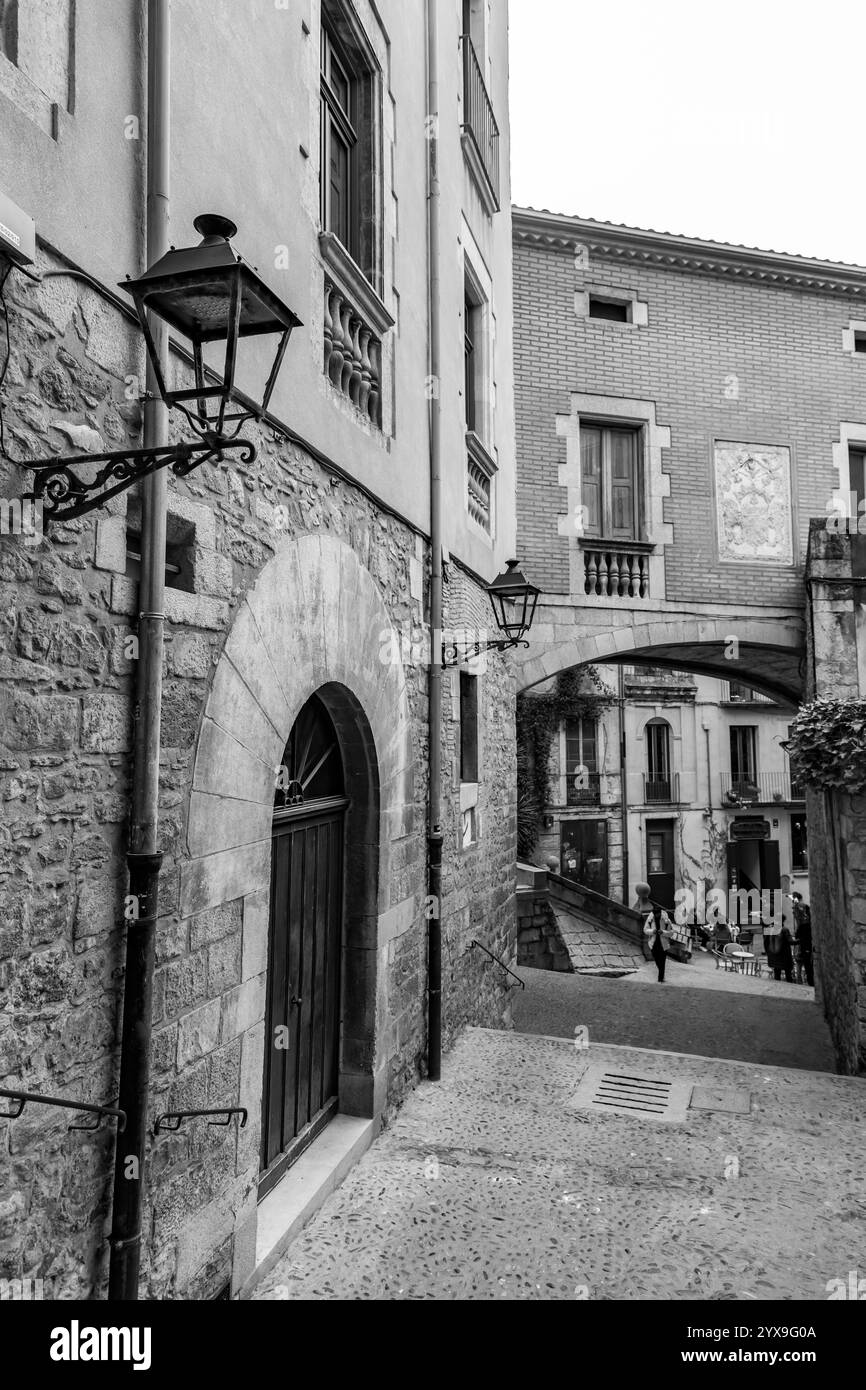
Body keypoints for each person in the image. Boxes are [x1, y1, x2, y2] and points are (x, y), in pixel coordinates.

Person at [644, 902, 673, 982]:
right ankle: (661, 975)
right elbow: (645, 930)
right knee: (657, 960)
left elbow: (671, 932)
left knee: (662, 961)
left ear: (660, 913)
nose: (656, 916)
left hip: (664, 944)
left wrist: (663, 932)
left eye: (658, 914)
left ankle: (660, 978)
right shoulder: (650, 918)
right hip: (653, 943)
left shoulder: (666, 920)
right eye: (655, 914)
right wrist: (652, 931)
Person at [792, 893, 814, 986]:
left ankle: (809, 981)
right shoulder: (801, 909)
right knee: (803, 961)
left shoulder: (803, 909)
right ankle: (804, 980)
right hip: (803, 940)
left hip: (805, 941)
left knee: (807, 963)